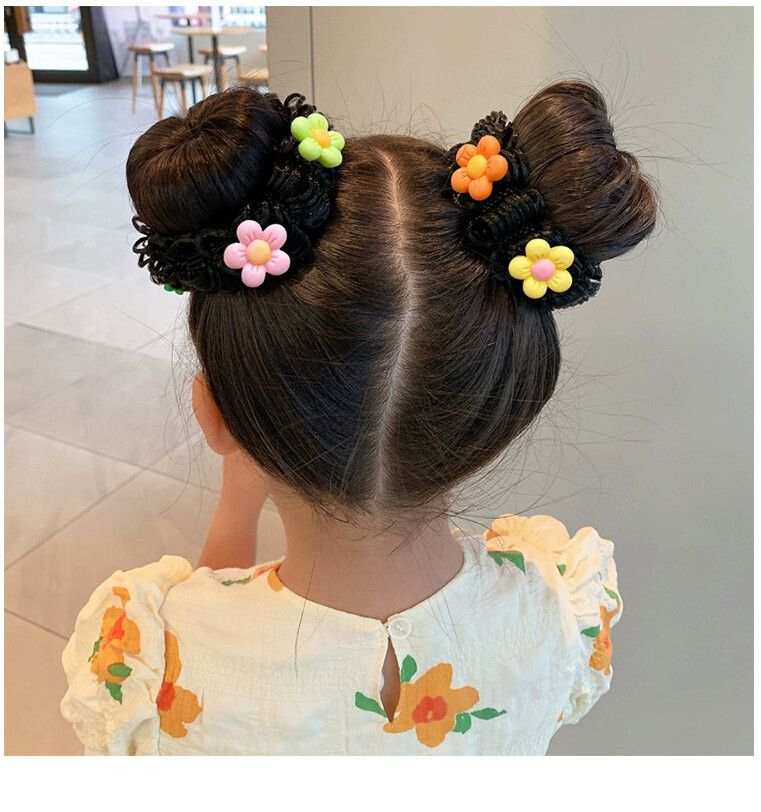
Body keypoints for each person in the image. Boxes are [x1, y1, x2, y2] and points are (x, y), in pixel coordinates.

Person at [61, 68, 655, 757]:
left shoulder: (150, 655)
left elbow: (208, 606)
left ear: (214, 415)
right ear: (496, 414)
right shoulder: (559, 610)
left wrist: (235, 508)